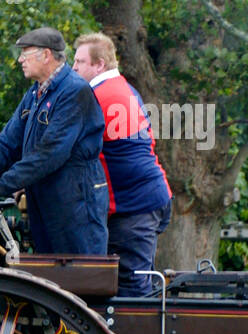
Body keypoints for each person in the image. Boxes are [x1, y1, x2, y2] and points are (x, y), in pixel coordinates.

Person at [0, 27, 109, 255]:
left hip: (76, 201)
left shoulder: (74, 91)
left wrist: (0, 186)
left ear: (47, 55)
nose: (20, 59)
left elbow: (50, 153)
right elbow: (8, 140)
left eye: (26, 53)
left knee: (80, 274)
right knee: (49, 275)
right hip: (47, 199)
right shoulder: (36, 92)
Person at [71, 32, 173, 296]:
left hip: (134, 208)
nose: (73, 68)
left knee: (131, 297)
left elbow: (65, 152)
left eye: (80, 62)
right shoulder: (125, 88)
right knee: (139, 287)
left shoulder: (96, 97)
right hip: (148, 200)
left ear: (99, 64)